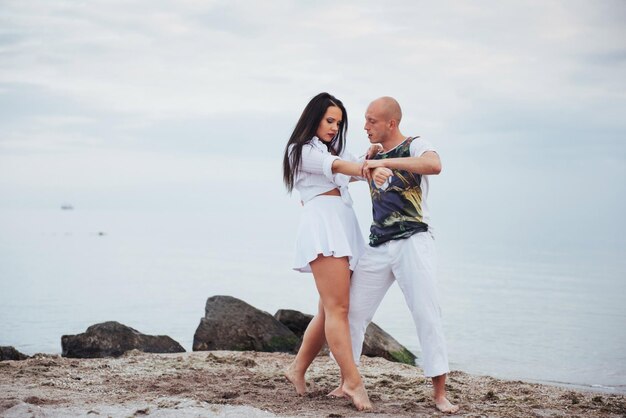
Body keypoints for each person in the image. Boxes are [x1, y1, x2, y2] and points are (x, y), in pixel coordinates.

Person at [348, 96, 460, 414]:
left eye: (371, 120)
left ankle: (439, 394)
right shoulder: (369, 155)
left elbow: (434, 165)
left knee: (426, 315)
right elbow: (344, 173)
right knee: (353, 315)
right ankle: (348, 380)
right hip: (378, 244)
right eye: (365, 120)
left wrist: (386, 163)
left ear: (391, 123)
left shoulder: (415, 144)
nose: (365, 126)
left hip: (414, 241)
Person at [281, 92, 386, 412]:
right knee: (337, 308)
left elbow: (351, 165)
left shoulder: (330, 149)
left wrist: (370, 158)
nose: (334, 127)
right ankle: (352, 380)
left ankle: (297, 369)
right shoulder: (299, 151)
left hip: (342, 224)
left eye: (338, 123)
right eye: (329, 120)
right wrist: (366, 168)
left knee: (330, 309)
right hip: (323, 227)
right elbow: (340, 166)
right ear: (313, 118)